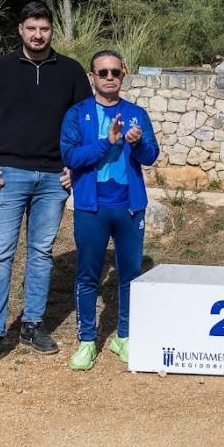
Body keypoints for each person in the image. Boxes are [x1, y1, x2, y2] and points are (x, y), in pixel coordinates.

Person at [0, 1, 92, 373]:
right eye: (31, 28)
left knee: (41, 253)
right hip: (6, 175)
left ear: (52, 31)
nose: (38, 35)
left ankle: (33, 325)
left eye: (44, 29)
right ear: (20, 29)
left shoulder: (69, 72)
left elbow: (84, 125)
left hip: (53, 178)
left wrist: (75, 168)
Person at [61, 50, 159, 370]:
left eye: (115, 72)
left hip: (130, 207)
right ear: (92, 77)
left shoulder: (136, 113)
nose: (108, 78)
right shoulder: (77, 113)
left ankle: (124, 336)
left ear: (123, 74)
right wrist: (107, 141)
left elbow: (150, 156)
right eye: (102, 73)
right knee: (88, 275)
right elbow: (71, 158)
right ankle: (87, 341)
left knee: (130, 273)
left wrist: (137, 143)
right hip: (91, 206)